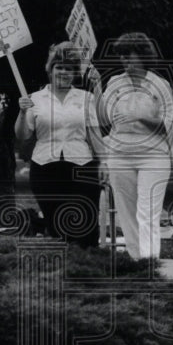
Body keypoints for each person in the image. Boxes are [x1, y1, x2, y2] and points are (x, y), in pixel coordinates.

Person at [97, 32, 173, 260]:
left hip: (153, 155)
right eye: (122, 56)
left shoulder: (159, 85)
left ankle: (150, 263)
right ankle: (136, 262)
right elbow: (104, 119)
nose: (125, 61)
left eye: (129, 56)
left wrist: (140, 116)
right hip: (120, 155)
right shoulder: (114, 83)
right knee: (127, 214)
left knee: (148, 213)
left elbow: (170, 125)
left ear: (143, 56)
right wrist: (96, 91)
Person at [15, 42, 104, 248]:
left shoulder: (86, 98)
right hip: (45, 168)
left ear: (75, 73)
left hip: (82, 167)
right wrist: (21, 112)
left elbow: (96, 132)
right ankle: (63, 273)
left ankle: (88, 272)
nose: (63, 72)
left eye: (69, 68)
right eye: (59, 67)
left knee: (86, 224)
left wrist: (105, 163)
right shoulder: (34, 99)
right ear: (50, 69)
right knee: (56, 227)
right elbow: (23, 135)